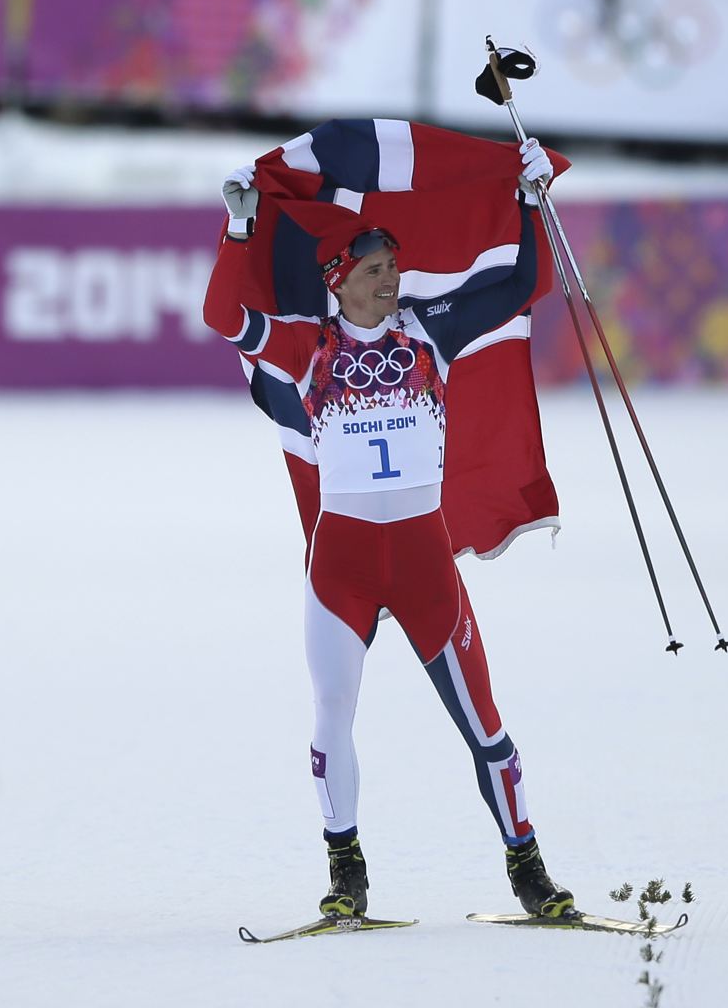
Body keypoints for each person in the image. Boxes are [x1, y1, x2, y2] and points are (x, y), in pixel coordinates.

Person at [203, 137, 575, 919]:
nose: (392, 278)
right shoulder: (308, 348)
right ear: (340, 280)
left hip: (421, 559)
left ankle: (529, 871)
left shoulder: (428, 330)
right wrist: (238, 230)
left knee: (486, 724)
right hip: (339, 563)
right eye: (375, 270)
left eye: (394, 267)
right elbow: (222, 315)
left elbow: (522, 283)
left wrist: (530, 201)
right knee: (332, 716)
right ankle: (347, 876)